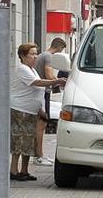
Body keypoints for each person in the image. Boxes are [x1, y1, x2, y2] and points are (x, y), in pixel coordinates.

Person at [10, 42, 63, 183]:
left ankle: (24, 170)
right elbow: (37, 83)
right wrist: (56, 81)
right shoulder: (22, 69)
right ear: (22, 56)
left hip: (31, 111)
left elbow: (36, 91)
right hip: (20, 110)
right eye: (31, 54)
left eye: (35, 54)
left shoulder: (32, 69)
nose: (35, 57)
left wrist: (40, 109)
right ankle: (13, 170)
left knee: (28, 141)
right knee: (19, 140)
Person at [36, 37, 72, 163]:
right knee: (41, 124)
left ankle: (38, 155)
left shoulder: (42, 55)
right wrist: (60, 82)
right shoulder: (49, 57)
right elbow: (49, 75)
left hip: (39, 93)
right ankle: (39, 156)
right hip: (42, 93)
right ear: (59, 48)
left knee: (40, 124)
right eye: (61, 50)